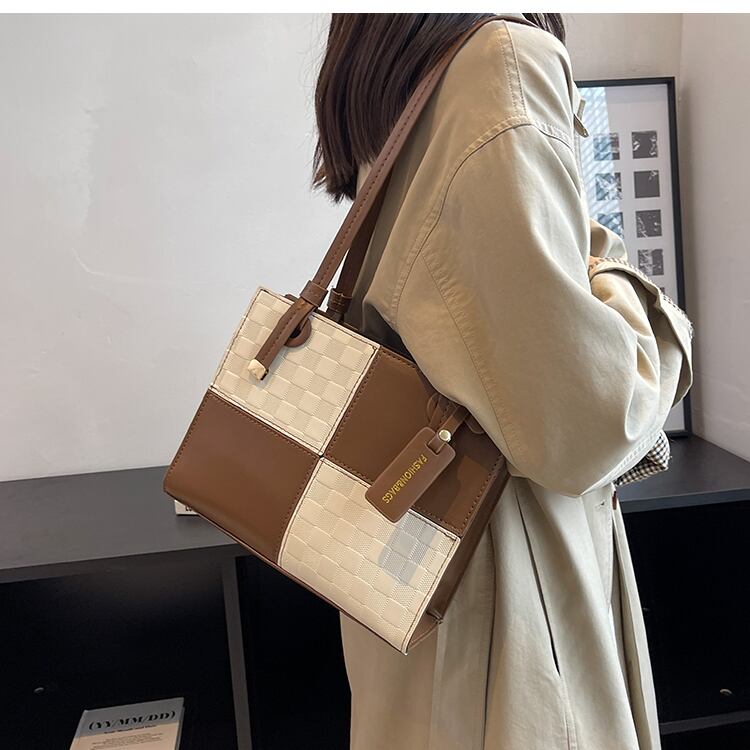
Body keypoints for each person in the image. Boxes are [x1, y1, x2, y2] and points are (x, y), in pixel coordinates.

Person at [311, 13, 694, 750]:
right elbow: (588, 423)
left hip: (413, 559)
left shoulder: (390, 62)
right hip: (508, 582)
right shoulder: (501, 58)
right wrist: (625, 286)